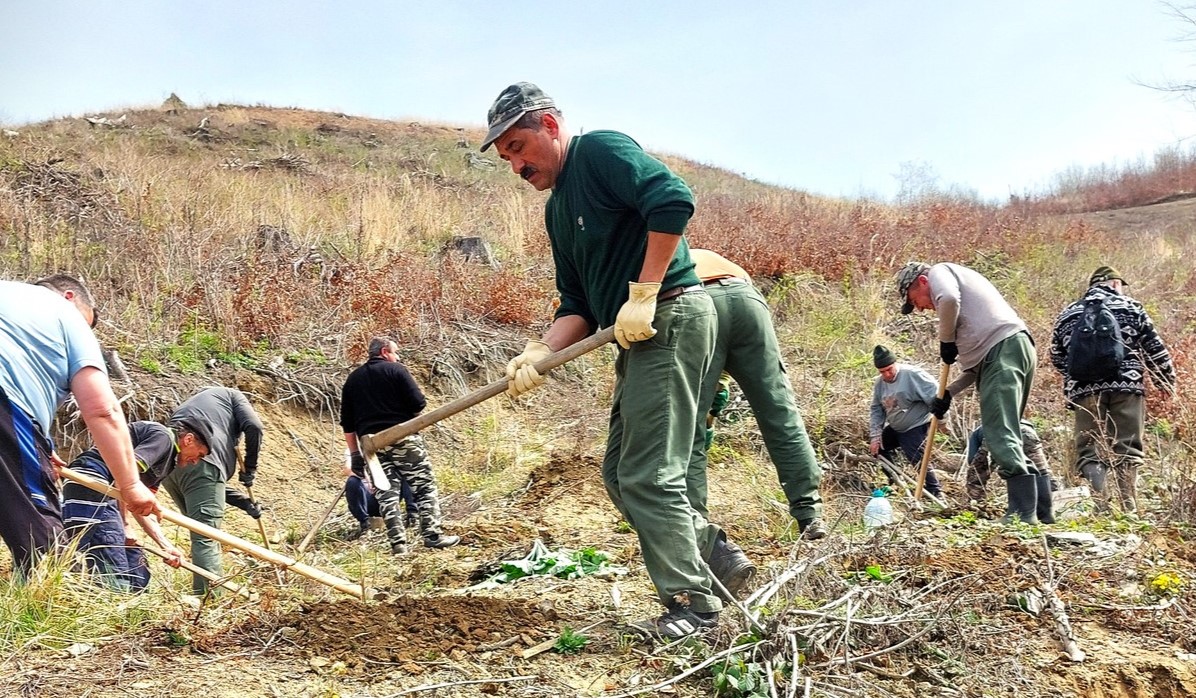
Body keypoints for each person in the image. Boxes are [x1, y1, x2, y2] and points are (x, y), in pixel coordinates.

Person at [484, 81, 731, 638]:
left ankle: (694, 608)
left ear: (548, 125)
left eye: (519, 148)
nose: (516, 166)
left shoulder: (599, 151)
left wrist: (644, 291)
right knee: (621, 476)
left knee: (647, 474)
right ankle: (716, 558)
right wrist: (542, 348)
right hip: (638, 335)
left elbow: (672, 199)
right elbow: (577, 305)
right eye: (506, 159)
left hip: (670, 314)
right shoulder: (556, 212)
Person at [0, 275, 159, 573]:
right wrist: (131, 484)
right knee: (44, 546)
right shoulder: (66, 315)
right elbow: (101, 409)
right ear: (70, 297)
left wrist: (39, 447)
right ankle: (51, 614)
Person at [687, 249, 826, 541]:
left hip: (697, 304)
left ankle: (695, 524)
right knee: (779, 412)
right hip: (747, 300)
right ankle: (809, 513)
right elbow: (720, 382)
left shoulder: (666, 260)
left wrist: (703, 420)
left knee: (688, 428)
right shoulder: (712, 257)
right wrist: (712, 411)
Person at [896, 261, 1045, 524]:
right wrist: (947, 394)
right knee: (1009, 430)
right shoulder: (976, 323)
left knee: (998, 432)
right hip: (1010, 350)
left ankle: (1023, 514)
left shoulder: (939, 272)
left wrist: (946, 341)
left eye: (914, 301)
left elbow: (949, 298)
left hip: (1005, 351)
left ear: (921, 282)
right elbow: (975, 370)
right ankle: (1042, 510)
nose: (920, 308)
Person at [1049, 266, 1175, 512]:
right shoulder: (1131, 307)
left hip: (1084, 392)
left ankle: (1101, 506)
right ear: (1114, 283)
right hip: (1126, 387)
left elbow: (1056, 355)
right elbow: (1154, 347)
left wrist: (1076, 378)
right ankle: (1129, 507)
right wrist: (1165, 381)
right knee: (1128, 447)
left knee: (1089, 449)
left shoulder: (1068, 313)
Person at [340, 337, 458, 554]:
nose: (398, 356)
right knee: (424, 486)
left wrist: (356, 454)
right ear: (385, 352)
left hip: (371, 445)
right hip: (402, 437)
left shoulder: (352, 380)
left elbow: (347, 423)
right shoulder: (396, 370)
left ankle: (398, 544)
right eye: (396, 352)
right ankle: (432, 535)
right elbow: (418, 403)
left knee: (387, 492)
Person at [62, 420, 209, 592]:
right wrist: (125, 525)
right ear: (189, 439)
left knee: (136, 575)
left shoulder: (167, 463)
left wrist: (166, 546)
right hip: (93, 479)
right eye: (199, 454)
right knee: (80, 551)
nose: (195, 462)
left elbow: (140, 504)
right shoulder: (164, 438)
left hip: (109, 492)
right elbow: (123, 478)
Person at [160, 386, 264, 594]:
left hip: (169, 470)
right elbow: (254, 426)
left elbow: (205, 486)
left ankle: (203, 594)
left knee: (200, 531)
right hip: (202, 465)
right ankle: (210, 599)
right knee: (205, 536)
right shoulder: (233, 395)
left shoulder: (199, 406)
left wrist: (243, 502)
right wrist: (250, 467)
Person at [867, 344, 944, 498]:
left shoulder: (912, 375)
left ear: (895, 364)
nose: (887, 374)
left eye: (890, 369)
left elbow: (937, 395)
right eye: (882, 372)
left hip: (917, 423)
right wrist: (875, 436)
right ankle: (895, 478)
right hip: (896, 426)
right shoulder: (879, 383)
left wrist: (942, 420)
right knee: (879, 447)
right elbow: (876, 409)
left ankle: (935, 490)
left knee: (915, 456)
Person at [965, 420, 1058, 521]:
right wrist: (1054, 487)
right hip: (1028, 432)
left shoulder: (977, 434)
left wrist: (975, 500)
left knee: (1012, 468)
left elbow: (975, 468)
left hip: (1000, 433)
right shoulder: (1004, 416)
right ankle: (1046, 515)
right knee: (1041, 470)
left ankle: (1017, 515)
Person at [341, 449, 417, 538]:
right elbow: (347, 469)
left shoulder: (388, 446)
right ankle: (365, 523)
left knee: (407, 473)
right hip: (368, 499)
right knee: (352, 482)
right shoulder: (354, 448)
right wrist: (367, 476)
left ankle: (413, 516)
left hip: (390, 494)